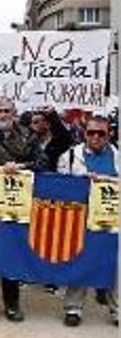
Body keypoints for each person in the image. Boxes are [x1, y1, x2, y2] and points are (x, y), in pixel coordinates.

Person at [0, 98, 47, 322]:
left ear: (14, 113)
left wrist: (21, 168)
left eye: (6, 111)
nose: (2, 115)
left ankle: (12, 304)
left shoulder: (28, 137)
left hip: (17, 207)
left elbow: (43, 162)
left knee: (11, 256)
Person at [57, 115, 119, 327]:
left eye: (101, 133)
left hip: (111, 221)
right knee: (80, 262)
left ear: (109, 134)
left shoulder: (118, 156)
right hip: (80, 220)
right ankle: (73, 308)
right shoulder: (71, 156)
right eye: (91, 132)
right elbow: (61, 183)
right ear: (85, 133)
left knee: (116, 267)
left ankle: (117, 311)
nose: (96, 137)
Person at [28, 107, 73, 172]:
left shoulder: (58, 142)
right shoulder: (31, 143)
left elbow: (67, 137)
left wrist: (53, 114)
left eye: (36, 122)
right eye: (33, 123)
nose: (34, 126)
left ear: (47, 123)